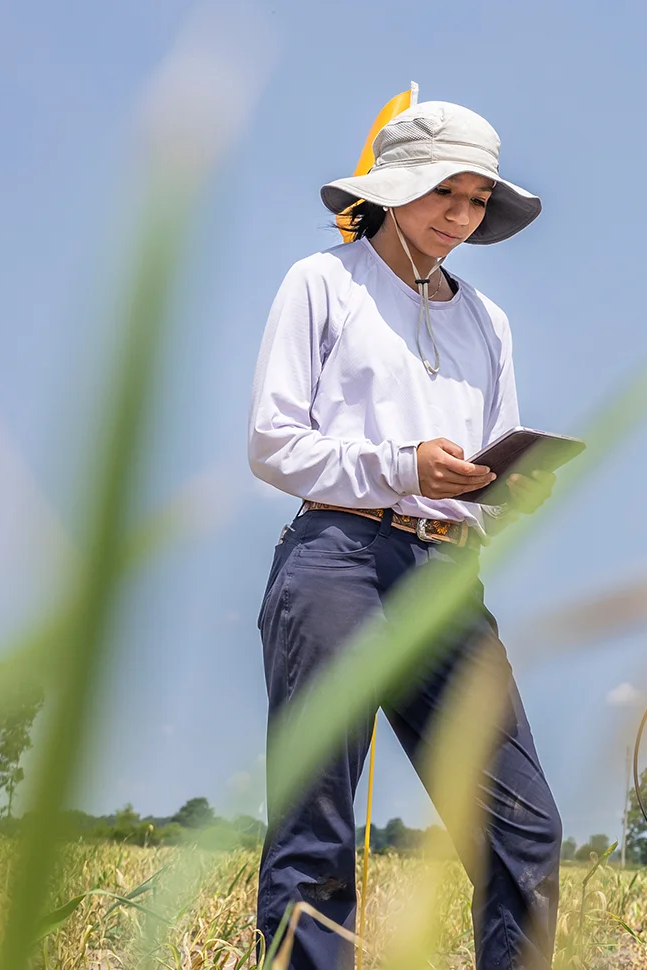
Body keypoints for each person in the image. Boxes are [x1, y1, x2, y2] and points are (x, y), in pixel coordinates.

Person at [247, 100, 560, 969]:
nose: (459, 217)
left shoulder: (488, 322)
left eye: (475, 200)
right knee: (316, 826)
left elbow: (490, 457)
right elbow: (273, 444)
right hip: (335, 558)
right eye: (443, 193)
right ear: (392, 190)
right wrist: (401, 467)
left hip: (446, 576)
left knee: (524, 829)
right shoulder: (323, 282)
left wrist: (504, 493)